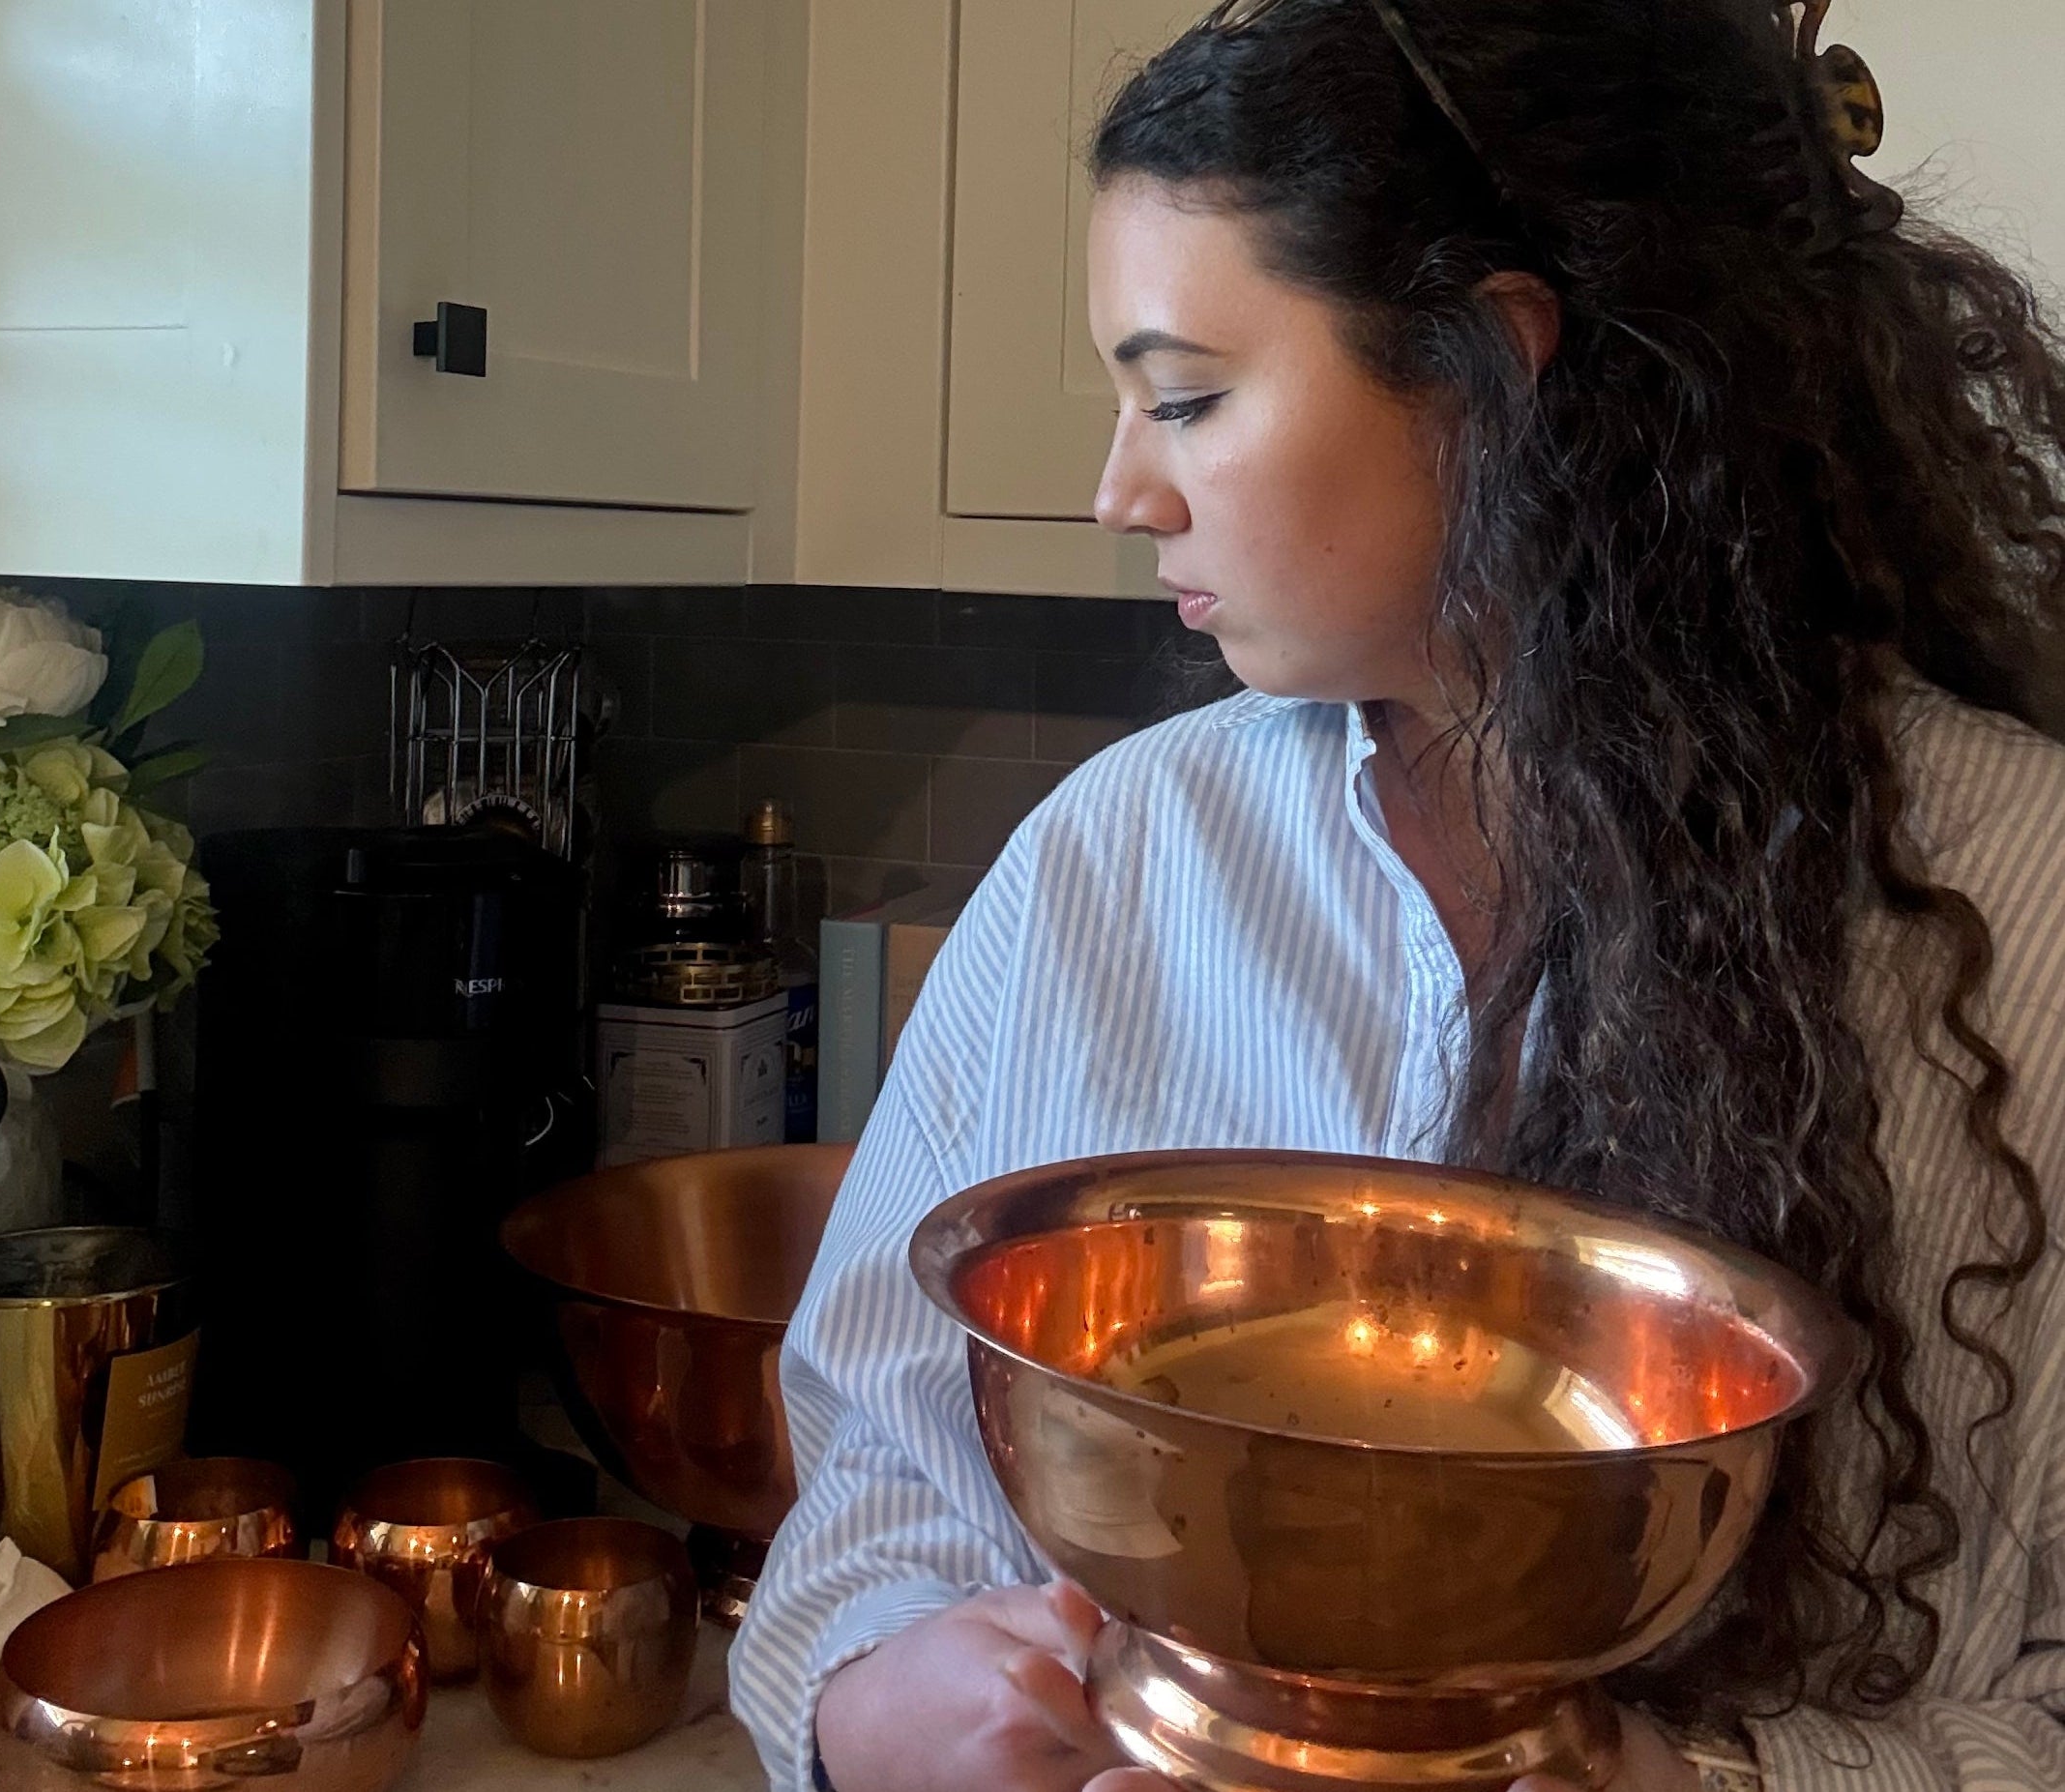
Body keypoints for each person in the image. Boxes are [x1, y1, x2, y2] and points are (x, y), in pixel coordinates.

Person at [726, 2, 2065, 1787]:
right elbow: (873, 1475)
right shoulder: (1108, 865)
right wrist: (863, 1700)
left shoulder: (2024, 897)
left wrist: (1691, 1782)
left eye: (1187, 397)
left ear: (1495, 374)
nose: (1122, 492)